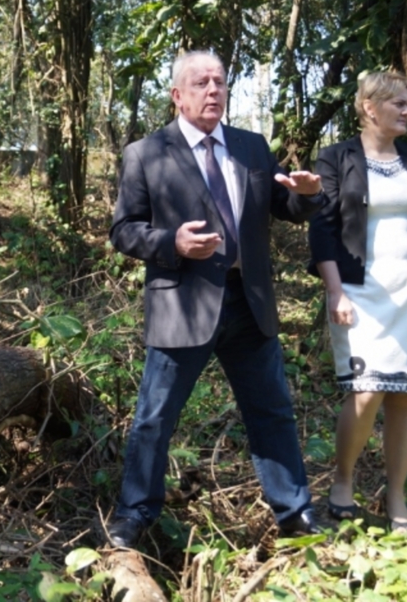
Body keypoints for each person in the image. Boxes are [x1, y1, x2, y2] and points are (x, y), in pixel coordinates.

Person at [106, 50, 327, 549]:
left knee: (271, 411)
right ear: (177, 95)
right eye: (201, 82)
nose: (213, 90)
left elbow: (284, 206)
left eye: (221, 82)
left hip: (248, 303)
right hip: (182, 303)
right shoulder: (146, 153)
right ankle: (135, 514)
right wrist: (172, 244)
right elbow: (123, 230)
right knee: (155, 417)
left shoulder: (251, 147)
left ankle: (294, 512)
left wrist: (308, 195)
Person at [308, 70, 407, 532]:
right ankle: (343, 480)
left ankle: (396, 498)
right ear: (370, 107)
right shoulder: (336, 158)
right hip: (359, 291)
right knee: (366, 389)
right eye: (398, 103)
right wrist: (334, 291)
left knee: (403, 397)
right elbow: (323, 228)